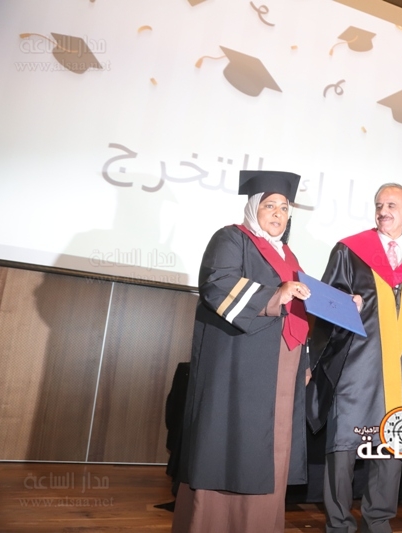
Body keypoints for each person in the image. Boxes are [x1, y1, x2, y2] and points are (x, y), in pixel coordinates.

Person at [172, 170, 312, 533]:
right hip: (239, 365)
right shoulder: (232, 238)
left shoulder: (288, 254)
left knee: (272, 445)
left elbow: (298, 307)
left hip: (281, 363)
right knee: (233, 443)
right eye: (270, 205)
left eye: (284, 208)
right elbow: (216, 284)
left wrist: (307, 358)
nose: (278, 213)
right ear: (253, 208)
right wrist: (274, 295)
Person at [307, 183, 402, 533]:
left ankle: (378, 519)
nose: (384, 211)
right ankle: (339, 523)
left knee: (394, 441)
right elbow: (328, 298)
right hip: (357, 363)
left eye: (391, 205)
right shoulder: (350, 250)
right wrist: (345, 303)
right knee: (343, 444)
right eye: (379, 205)